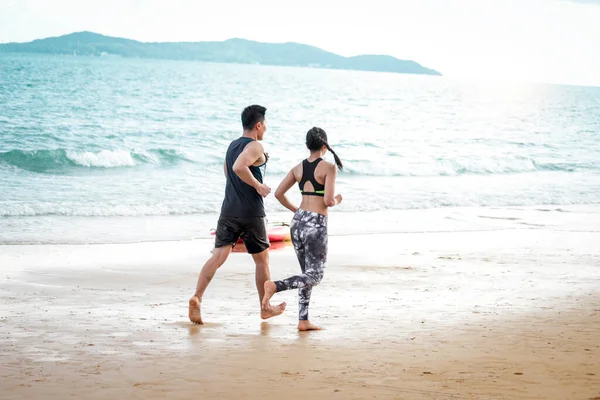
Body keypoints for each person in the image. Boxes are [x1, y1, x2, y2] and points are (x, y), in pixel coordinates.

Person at [189, 105, 286, 324]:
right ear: (258, 125)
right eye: (265, 125)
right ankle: (265, 308)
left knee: (218, 256)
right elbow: (238, 167)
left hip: (228, 210)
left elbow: (229, 170)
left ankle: (197, 297)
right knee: (262, 260)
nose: (266, 129)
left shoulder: (232, 145)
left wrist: (254, 164)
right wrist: (258, 185)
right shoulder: (255, 145)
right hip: (251, 212)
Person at [261, 127, 343, 331]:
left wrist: (297, 210)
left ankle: (303, 319)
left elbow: (279, 193)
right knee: (315, 276)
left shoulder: (297, 168)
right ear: (325, 146)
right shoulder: (329, 168)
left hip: (297, 222)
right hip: (315, 225)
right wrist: (338, 199)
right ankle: (275, 286)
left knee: (306, 274)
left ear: (308, 145)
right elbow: (328, 200)